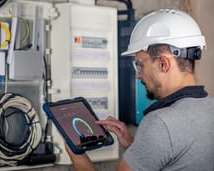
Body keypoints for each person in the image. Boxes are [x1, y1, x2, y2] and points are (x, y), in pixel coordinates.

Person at [65, 9, 214, 171]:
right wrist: (134, 145)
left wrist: (77, 155)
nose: (138, 75)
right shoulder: (209, 108)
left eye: (140, 64)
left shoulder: (162, 123)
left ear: (163, 63)